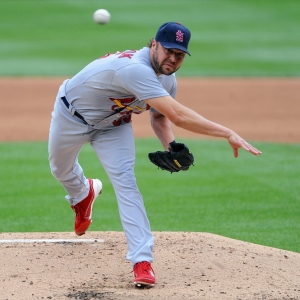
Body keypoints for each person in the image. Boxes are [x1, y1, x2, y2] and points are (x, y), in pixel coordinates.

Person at [48, 22, 262, 288]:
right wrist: (227, 132)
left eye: (180, 55)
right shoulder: (135, 69)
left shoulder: (168, 79)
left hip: (113, 127)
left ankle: (142, 260)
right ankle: (83, 192)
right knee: (60, 169)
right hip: (72, 117)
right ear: (154, 44)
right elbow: (179, 115)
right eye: (168, 50)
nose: (172, 58)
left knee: (126, 183)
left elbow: (160, 118)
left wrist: (171, 146)